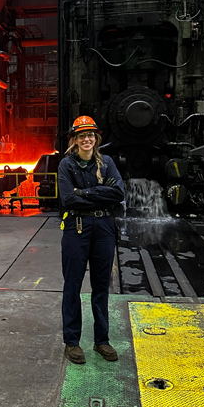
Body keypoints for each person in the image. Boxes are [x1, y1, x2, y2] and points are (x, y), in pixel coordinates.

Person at [58, 115, 124, 364]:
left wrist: (84, 192)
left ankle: (102, 341)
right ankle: (72, 342)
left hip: (104, 227)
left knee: (101, 286)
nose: (87, 139)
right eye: (81, 136)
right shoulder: (66, 165)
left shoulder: (107, 162)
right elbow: (68, 199)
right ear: (74, 140)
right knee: (72, 286)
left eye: (90, 135)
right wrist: (100, 193)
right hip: (76, 228)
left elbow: (118, 193)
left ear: (96, 138)